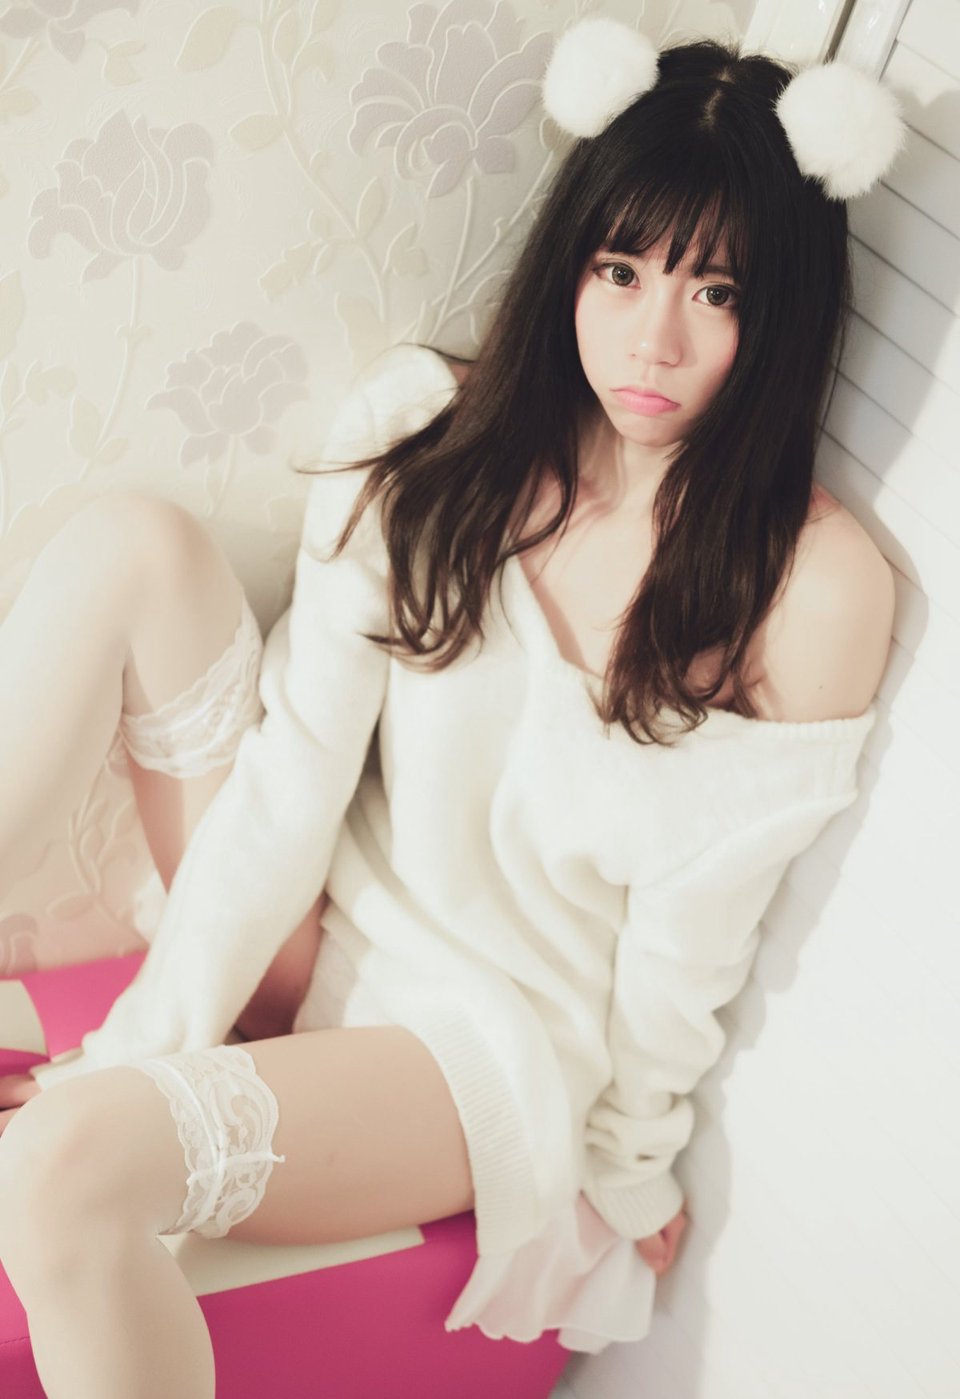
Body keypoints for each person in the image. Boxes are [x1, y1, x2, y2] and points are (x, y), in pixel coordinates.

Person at [0, 17, 902, 1395]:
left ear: (778, 315)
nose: (653, 338)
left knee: (61, 1166)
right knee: (133, 546)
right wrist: (150, 1042)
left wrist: (628, 1164)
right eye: (621, 270)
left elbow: (691, 937)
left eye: (715, 292)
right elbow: (295, 779)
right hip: (318, 920)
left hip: (471, 1046)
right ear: (573, 261)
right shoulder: (432, 430)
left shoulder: (805, 587)